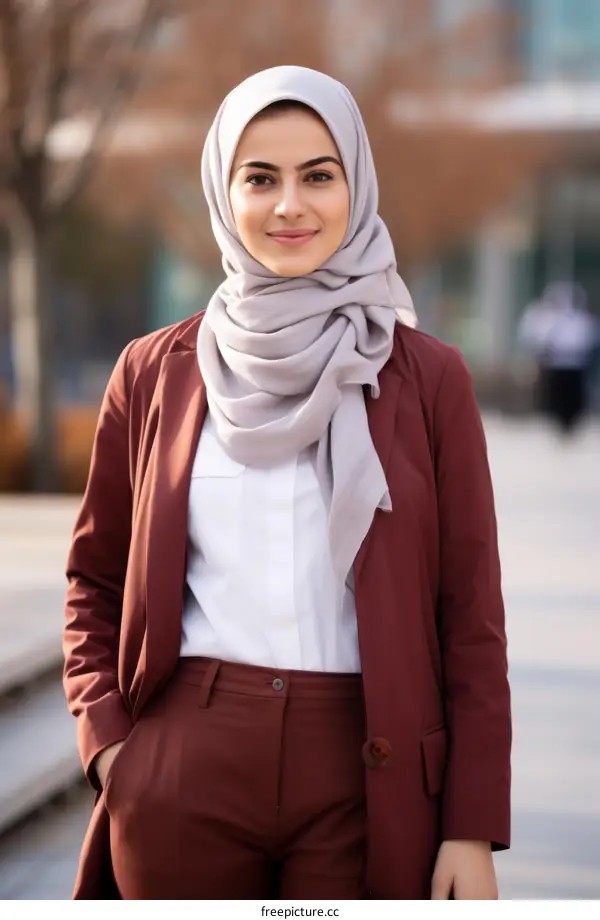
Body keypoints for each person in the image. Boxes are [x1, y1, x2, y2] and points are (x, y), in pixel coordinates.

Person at [62, 66, 511, 900]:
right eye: (260, 178)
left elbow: (471, 617)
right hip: (182, 770)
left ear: (356, 184)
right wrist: (113, 747)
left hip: (367, 769)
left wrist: (471, 825)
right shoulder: (153, 373)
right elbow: (95, 579)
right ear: (222, 190)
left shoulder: (429, 380)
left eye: (319, 175)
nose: (290, 206)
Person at [518, 281, 600, 435]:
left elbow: (588, 339)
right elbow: (537, 339)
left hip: (576, 365)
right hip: (555, 364)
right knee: (556, 397)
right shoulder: (544, 317)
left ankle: (571, 423)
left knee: (573, 398)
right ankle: (557, 422)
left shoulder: (581, 319)